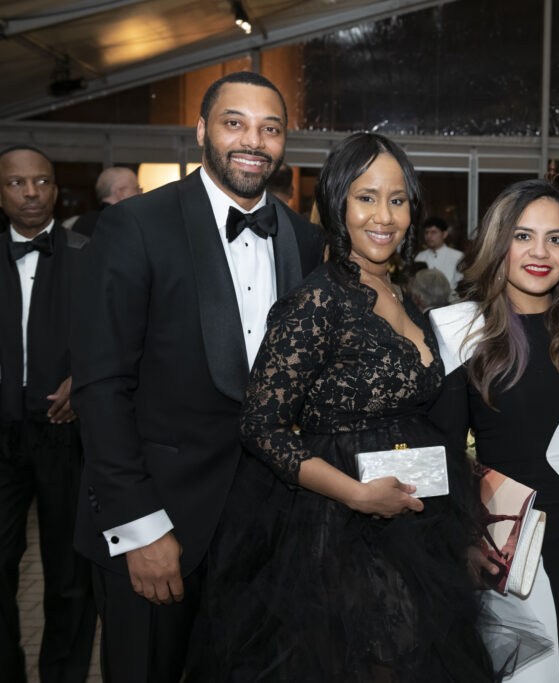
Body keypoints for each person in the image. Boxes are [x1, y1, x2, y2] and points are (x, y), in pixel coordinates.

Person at [188, 132, 493, 681]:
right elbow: (261, 426)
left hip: (414, 524)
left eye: (397, 200)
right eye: (366, 197)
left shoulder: (403, 293)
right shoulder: (317, 299)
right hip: (339, 532)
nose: (384, 215)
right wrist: (356, 494)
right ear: (337, 203)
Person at [70, 71, 324, 683]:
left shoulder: (306, 239)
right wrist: (140, 528)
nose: (253, 141)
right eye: (235, 122)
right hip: (161, 523)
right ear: (202, 130)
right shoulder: (137, 226)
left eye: (270, 128)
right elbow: (102, 387)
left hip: (268, 532)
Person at [429, 179, 559, 682]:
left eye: (556, 238)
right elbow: (441, 450)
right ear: (498, 242)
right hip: (510, 543)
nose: (540, 251)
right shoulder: (458, 327)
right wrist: (464, 539)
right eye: (524, 235)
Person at [0, 145, 96, 683]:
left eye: (40, 182)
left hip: (67, 433)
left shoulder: (88, 255)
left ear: (56, 190)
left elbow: (121, 336)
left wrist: (83, 379)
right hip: (0, 435)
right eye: (16, 183)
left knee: (69, 575)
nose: (30, 192)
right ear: (0, 193)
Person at [71, 166, 142, 237]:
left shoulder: (84, 221)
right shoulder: (123, 225)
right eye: (137, 189)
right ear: (121, 192)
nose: (141, 193)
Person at [415, 216, 463, 290]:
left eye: (433, 232)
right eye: (426, 232)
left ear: (444, 234)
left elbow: (461, 283)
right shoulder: (420, 257)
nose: (429, 236)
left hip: (452, 300)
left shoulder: (458, 256)